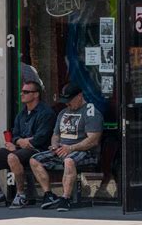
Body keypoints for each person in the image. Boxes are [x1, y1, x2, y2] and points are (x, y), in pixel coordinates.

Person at [0, 81, 56, 208]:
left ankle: (21, 195)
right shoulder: (22, 113)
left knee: (12, 157)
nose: (22, 94)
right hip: (19, 149)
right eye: (22, 91)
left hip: (37, 151)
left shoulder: (46, 113)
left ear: (36, 94)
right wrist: (19, 142)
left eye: (26, 92)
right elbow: (15, 134)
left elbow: (41, 138)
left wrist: (25, 142)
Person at [30, 83, 103, 212]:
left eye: (69, 101)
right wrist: (54, 145)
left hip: (83, 151)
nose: (67, 104)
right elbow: (55, 135)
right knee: (34, 160)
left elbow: (93, 140)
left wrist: (71, 148)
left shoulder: (90, 112)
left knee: (69, 161)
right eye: (65, 102)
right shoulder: (63, 113)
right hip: (63, 149)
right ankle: (49, 195)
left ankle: (65, 198)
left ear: (79, 96)